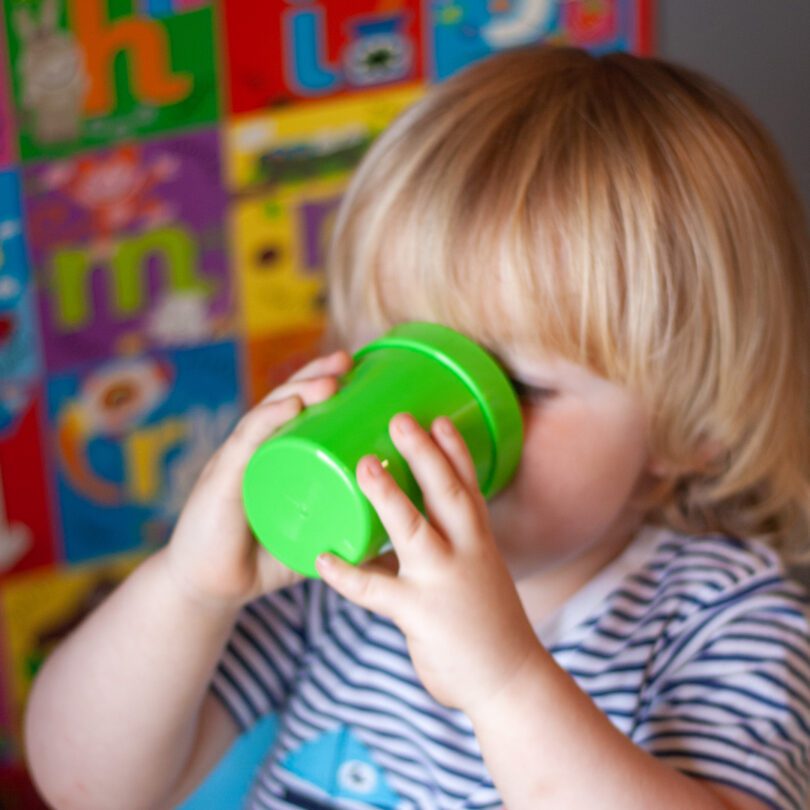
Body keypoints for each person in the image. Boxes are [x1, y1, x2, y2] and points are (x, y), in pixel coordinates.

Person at [24, 46, 810, 810]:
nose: (421, 429)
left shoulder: (724, 621)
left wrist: (503, 680)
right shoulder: (340, 583)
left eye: (517, 387)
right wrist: (190, 587)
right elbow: (87, 786)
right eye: (404, 358)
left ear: (696, 424)